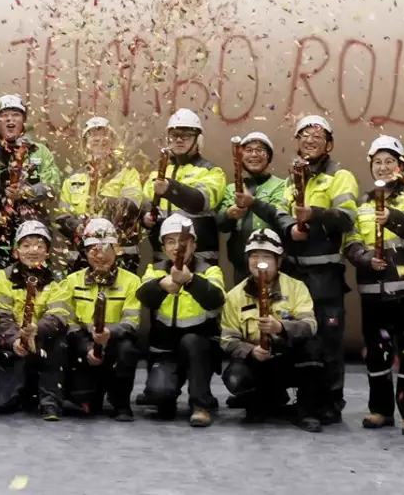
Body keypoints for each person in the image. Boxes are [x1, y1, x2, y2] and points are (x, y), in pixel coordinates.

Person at [343, 136, 404, 435]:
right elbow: (351, 242)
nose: (383, 167)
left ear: (401, 166)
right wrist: (365, 258)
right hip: (373, 291)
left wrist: (391, 216)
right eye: (377, 162)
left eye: (389, 162)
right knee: (377, 353)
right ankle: (380, 409)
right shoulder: (362, 203)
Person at [278, 113, 358, 424]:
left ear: (329, 144)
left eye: (317, 137)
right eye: (304, 136)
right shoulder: (290, 180)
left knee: (328, 339)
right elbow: (284, 217)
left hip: (325, 275)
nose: (309, 141)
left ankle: (331, 401)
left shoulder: (339, 176)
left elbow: (347, 216)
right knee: (300, 338)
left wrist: (315, 213)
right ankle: (304, 399)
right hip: (294, 274)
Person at [220, 228, 323, 432]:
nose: (260, 262)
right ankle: (261, 402)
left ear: (279, 261)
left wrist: (282, 327)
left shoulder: (296, 287)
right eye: (254, 256)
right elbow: (227, 339)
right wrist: (251, 351)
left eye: (266, 257)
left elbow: (310, 325)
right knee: (236, 376)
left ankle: (305, 411)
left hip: (288, 357)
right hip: (257, 360)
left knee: (315, 348)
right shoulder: (234, 295)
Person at [39, 218, 141, 421]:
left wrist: (108, 334)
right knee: (87, 404)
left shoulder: (131, 281)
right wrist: (87, 348)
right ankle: (70, 398)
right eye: (93, 249)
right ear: (85, 253)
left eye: (105, 248)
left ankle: (121, 403)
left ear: (117, 249)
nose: (100, 255)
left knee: (128, 349)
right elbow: (69, 321)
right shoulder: (72, 281)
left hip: (114, 343)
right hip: (82, 345)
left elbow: (131, 323)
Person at [138, 214, 225, 426]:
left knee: (193, 343)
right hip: (165, 349)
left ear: (193, 245)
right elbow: (143, 296)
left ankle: (200, 405)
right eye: (170, 241)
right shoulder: (155, 269)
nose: (177, 247)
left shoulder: (210, 270)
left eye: (183, 241)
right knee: (159, 398)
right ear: (164, 247)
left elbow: (216, 299)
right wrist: (162, 285)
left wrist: (191, 280)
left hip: (200, 348)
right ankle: (169, 393)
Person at [0, 94, 62, 275]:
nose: (10, 119)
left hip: (31, 238)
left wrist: (27, 192)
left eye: (16, 115)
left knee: (32, 283)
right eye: (4, 115)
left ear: (23, 120)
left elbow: (53, 186)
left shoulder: (40, 152)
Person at [0, 220, 58, 417]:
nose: (32, 250)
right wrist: (14, 339)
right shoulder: (4, 277)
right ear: (15, 251)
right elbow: (1, 315)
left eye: (39, 245)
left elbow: (59, 315)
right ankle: (23, 387)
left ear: (47, 252)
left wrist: (37, 330)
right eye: (25, 245)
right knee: (0, 404)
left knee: (57, 340)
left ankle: (49, 399)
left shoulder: (58, 279)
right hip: (13, 344)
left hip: (43, 342)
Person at [55, 117, 143, 272]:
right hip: (82, 256)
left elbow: (133, 207)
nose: (99, 139)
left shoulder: (128, 173)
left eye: (104, 136)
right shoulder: (73, 178)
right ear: (85, 146)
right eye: (93, 137)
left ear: (113, 143)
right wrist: (77, 227)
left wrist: (105, 202)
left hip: (119, 254)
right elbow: (62, 217)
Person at [141, 109, 226, 266]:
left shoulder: (212, 171)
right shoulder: (157, 173)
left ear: (198, 140)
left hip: (201, 259)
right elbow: (145, 204)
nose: (179, 140)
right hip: (163, 257)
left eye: (186, 136)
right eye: (174, 136)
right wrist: (146, 217)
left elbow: (201, 201)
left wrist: (170, 188)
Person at [214, 131, 291, 285]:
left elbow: (280, 218)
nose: (254, 155)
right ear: (240, 158)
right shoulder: (231, 188)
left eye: (260, 150)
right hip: (241, 264)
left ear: (268, 156)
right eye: (248, 151)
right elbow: (221, 224)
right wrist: (229, 214)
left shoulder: (282, 185)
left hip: (274, 260)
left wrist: (253, 203)